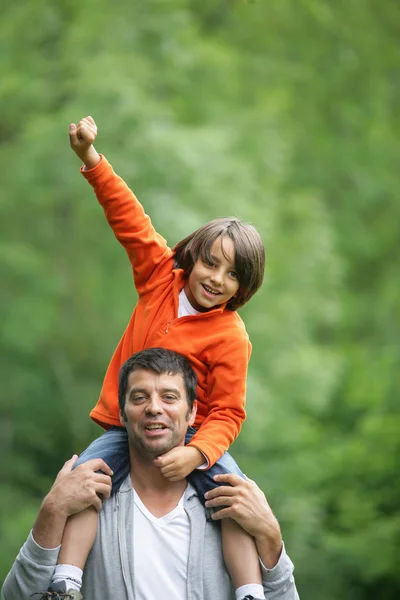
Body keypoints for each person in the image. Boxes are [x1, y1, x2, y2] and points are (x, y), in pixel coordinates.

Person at [53, 115, 267, 600]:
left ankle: (251, 590)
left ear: (243, 286)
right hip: (124, 425)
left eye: (231, 274)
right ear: (193, 256)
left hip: (193, 435)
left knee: (234, 494)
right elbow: (129, 219)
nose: (215, 278)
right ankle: (66, 579)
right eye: (210, 262)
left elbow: (228, 411)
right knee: (85, 479)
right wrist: (90, 157)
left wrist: (196, 452)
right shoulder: (159, 277)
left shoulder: (231, 336)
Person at [1, 349, 299, 600]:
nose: (154, 408)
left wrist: (271, 536)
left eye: (169, 397)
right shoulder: (88, 502)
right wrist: (52, 509)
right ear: (121, 413)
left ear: (192, 413)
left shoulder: (229, 505)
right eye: (140, 397)